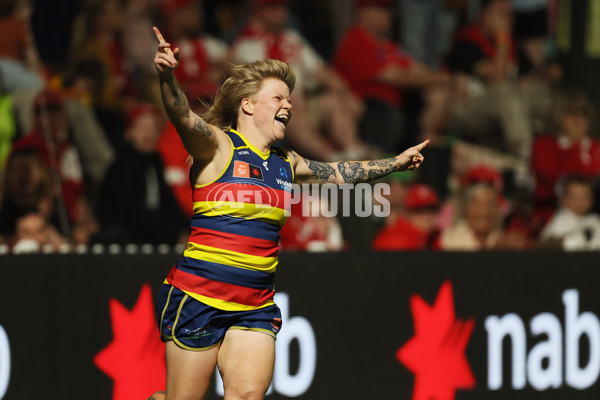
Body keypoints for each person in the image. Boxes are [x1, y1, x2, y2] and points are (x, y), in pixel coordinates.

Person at [148, 26, 428, 400]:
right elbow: (182, 116)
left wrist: (394, 162)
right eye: (278, 97)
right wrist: (168, 77)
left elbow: (341, 172)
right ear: (247, 104)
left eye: (290, 99)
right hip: (199, 298)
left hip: (254, 305)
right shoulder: (217, 148)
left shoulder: (287, 163)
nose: (289, 105)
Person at [372, 183, 441, 251]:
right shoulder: (394, 240)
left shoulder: (434, 237)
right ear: (407, 213)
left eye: (432, 209)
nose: (428, 216)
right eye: (419, 210)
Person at [539, 175, 600, 251]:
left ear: (592, 200)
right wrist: (567, 242)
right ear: (563, 200)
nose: (579, 202)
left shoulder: (595, 220)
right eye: (574, 197)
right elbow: (542, 244)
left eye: (584, 197)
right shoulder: (562, 219)